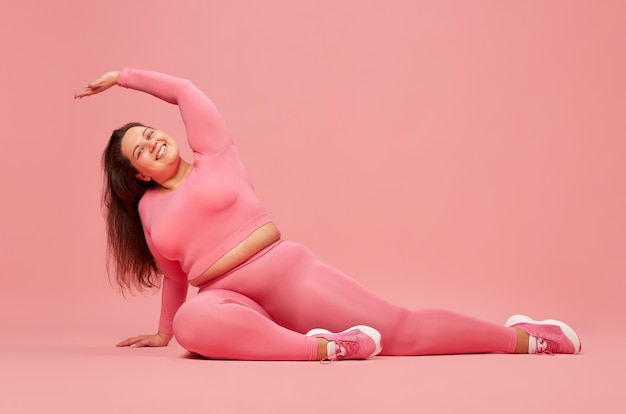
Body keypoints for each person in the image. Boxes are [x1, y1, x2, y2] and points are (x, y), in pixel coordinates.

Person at [74, 69, 581, 362]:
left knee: (403, 332)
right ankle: (324, 350)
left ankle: (525, 338)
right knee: (192, 325)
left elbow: (184, 90)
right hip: (229, 298)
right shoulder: (150, 212)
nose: (155, 141)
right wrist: (164, 330)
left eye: (151, 132)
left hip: (287, 274)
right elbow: (174, 278)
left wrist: (124, 78)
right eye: (140, 149)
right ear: (138, 174)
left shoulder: (212, 152)